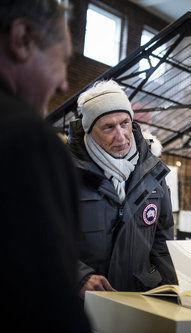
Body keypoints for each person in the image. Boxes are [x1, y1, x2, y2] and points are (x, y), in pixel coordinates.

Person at [0, 0, 91, 331]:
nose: (64, 83)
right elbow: (44, 298)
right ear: (23, 39)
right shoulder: (26, 139)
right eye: (63, 60)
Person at [67, 79, 177, 298]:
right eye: (108, 127)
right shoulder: (63, 173)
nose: (121, 136)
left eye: (124, 123)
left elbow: (163, 243)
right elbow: (40, 239)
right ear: (89, 130)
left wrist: (168, 290)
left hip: (138, 299)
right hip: (84, 302)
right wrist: (77, 276)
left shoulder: (153, 174)